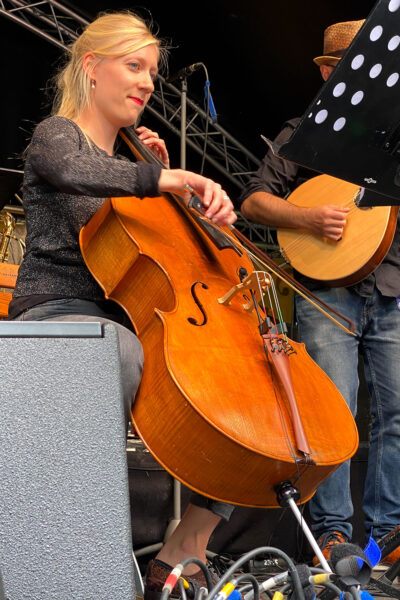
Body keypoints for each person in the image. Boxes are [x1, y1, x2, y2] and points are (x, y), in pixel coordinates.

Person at [8, 11, 237, 598]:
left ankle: (185, 546)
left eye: (152, 73)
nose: (147, 83)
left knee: (237, 395)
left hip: (138, 322)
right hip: (62, 313)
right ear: (91, 67)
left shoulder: (140, 163)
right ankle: (76, 555)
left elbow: (177, 258)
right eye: (134, 66)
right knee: (117, 352)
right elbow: (71, 170)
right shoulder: (59, 136)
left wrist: (215, 223)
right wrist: (160, 179)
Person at [239, 19, 400, 564]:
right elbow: (254, 201)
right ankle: (332, 534)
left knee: (396, 415)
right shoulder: (303, 133)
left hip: (394, 288)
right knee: (333, 413)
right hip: (325, 291)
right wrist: (307, 218)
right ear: (331, 73)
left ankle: (386, 538)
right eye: (344, 68)